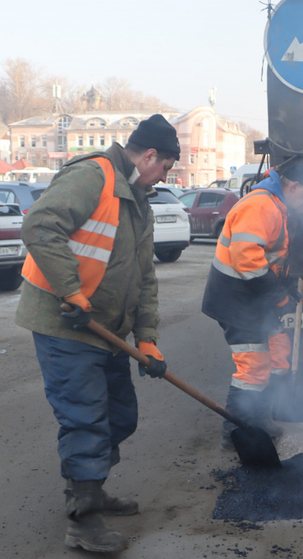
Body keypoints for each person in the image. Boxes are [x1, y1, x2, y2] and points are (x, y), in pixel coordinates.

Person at [15, 114, 180, 552]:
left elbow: (145, 277)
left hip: (109, 331)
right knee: (86, 418)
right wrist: (71, 289)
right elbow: (39, 226)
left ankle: (89, 488)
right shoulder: (92, 176)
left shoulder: (139, 200)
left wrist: (146, 337)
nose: (166, 176)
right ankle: (83, 519)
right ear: (148, 156)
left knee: (120, 416)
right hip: (65, 325)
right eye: (165, 167)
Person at [201, 163, 303, 449]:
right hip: (235, 300)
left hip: (253, 297)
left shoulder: (276, 206)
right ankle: (235, 433)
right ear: (293, 187)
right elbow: (247, 260)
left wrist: (286, 287)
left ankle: (260, 419)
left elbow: (269, 257)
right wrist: (279, 297)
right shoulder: (261, 205)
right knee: (253, 368)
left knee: (278, 353)